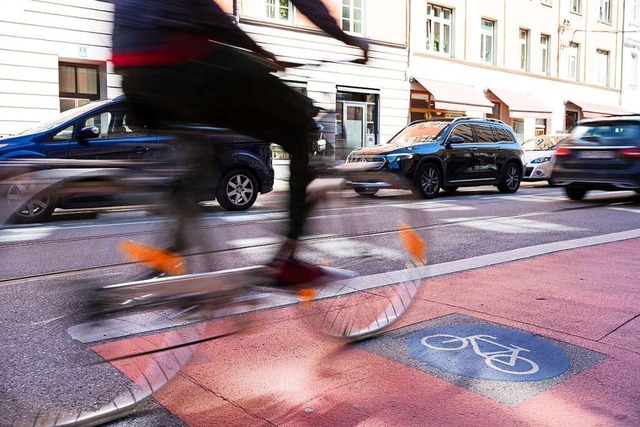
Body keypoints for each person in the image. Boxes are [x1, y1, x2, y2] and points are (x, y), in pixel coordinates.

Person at [111, 0, 369, 286]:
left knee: (205, 145)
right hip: (180, 61)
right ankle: (287, 261)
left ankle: (176, 243)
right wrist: (345, 37)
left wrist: (256, 54)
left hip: (133, 77)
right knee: (301, 129)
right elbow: (208, 17)